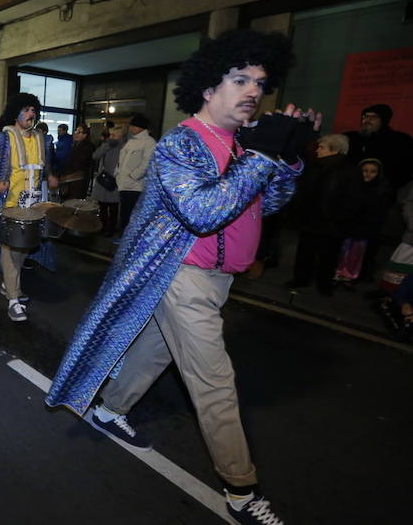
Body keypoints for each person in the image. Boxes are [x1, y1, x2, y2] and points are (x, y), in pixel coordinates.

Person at [47, 29, 317, 525]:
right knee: (215, 382)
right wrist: (262, 156)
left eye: (259, 81)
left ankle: (110, 409)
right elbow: (201, 211)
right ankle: (241, 492)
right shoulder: (182, 143)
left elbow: (269, 204)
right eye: (240, 79)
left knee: (155, 350)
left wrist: (290, 159)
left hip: (219, 280)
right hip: (182, 275)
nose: (253, 91)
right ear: (208, 89)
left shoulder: (241, 143)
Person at [0, 92, 58, 322]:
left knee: (23, 249)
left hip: (33, 204)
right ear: (16, 112)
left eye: (33, 110)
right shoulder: (1, 139)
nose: (31, 114)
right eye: (26, 109)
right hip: (9, 203)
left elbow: (45, 166)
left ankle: (8, 285)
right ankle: (13, 300)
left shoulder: (41, 138)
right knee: (11, 251)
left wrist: (51, 177)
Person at [284, 133, 353, 295]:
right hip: (311, 220)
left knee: (328, 256)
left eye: (321, 147)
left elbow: (353, 199)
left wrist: (339, 219)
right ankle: (303, 279)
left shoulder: (347, 171)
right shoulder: (315, 166)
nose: (317, 150)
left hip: (331, 222)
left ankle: (323, 284)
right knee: (306, 252)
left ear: (334, 150)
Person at [334, 158, 393, 286]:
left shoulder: (382, 190)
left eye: (373, 171)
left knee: (357, 254)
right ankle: (337, 273)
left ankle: (350, 276)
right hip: (347, 226)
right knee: (342, 250)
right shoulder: (351, 185)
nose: (368, 174)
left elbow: (379, 213)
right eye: (364, 170)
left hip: (366, 229)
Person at [345, 104, 413, 191]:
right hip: (352, 189)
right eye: (365, 116)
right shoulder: (352, 138)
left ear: (383, 120)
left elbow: (404, 168)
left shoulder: (400, 140)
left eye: (373, 117)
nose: (367, 120)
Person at [115, 114, 156, 231]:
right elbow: (121, 160)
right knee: (124, 214)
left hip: (136, 186)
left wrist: (134, 176)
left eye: (133, 126)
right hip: (123, 184)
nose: (130, 128)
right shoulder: (131, 141)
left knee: (133, 214)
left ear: (141, 127)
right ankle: (123, 236)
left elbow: (147, 163)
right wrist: (117, 174)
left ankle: (130, 239)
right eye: (131, 126)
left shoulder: (149, 142)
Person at [90, 121, 126, 237]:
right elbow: (95, 155)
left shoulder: (125, 147)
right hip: (104, 179)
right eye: (110, 135)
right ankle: (104, 227)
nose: (111, 137)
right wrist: (106, 145)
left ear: (120, 135)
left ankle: (109, 229)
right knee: (104, 206)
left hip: (115, 179)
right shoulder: (107, 145)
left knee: (113, 207)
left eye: (113, 135)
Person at [60, 123, 95, 200]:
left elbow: (78, 163)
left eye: (79, 132)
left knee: (74, 203)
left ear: (85, 135)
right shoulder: (75, 144)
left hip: (78, 180)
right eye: (75, 131)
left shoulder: (87, 146)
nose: (75, 134)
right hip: (71, 179)